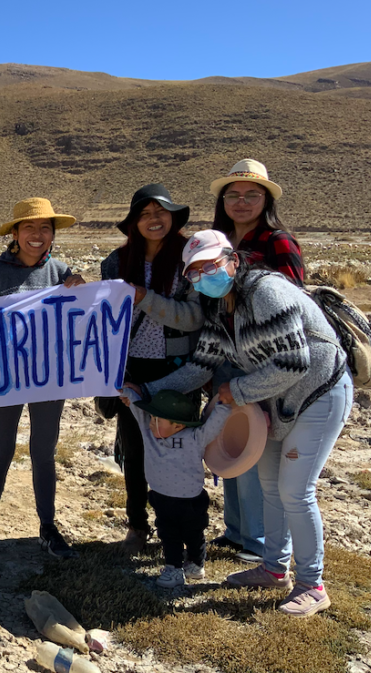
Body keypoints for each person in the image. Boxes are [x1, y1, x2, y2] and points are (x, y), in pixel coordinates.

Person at [136, 229, 352, 617]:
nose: (203, 277)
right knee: (271, 487)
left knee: (295, 490)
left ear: (233, 261)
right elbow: (200, 367)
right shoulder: (217, 309)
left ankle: (312, 584)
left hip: (319, 393)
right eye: (194, 272)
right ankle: (274, 569)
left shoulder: (267, 292)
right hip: (274, 401)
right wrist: (146, 391)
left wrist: (238, 389)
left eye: (211, 266)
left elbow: (294, 361)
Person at [0, 198, 85, 559]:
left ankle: (48, 526)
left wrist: (82, 290)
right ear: (15, 234)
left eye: (45, 228)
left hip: (49, 377)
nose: (38, 234)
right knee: (0, 450)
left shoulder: (62, 272)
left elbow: (81, 317)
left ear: (53, 235)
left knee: (43, 451)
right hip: (5, 378)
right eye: (29, 227)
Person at [208, 159, 304, 562]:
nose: (242, 201)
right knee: (229, 444)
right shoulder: (220, 242)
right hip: (225, 355)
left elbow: (294, 301)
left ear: (266, 200)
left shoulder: (278, 242)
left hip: (263, 362)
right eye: (233, 194)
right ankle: (235, 531)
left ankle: (258, 542)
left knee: (256, 449)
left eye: (251, 195)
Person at [100, 184, 204, 554]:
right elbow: (104, 316)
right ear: (134, 222)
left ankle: (178, 526)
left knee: (176, 449)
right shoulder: (115, 263)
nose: (153, 220)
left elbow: (193, 318)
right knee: (134, 452)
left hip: (176, 369)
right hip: (131, 368)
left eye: (160, 212)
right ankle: (137, 524)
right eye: (144, 214)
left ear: (173, 217)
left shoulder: (190, 260)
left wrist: (145, 298)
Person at [118, 389, 231, 588]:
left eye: (157, 420)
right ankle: (173, 568)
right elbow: (139, 412)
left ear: (178, 425)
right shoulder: (150, 435)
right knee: (168, 534)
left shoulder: (195, 437)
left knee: (194, 533)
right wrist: (128, 392)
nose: (151, 423)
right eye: (152, 418)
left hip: (192, 500)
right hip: (161, 498)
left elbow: (213, 426)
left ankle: (196, 564)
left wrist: (224, 405)